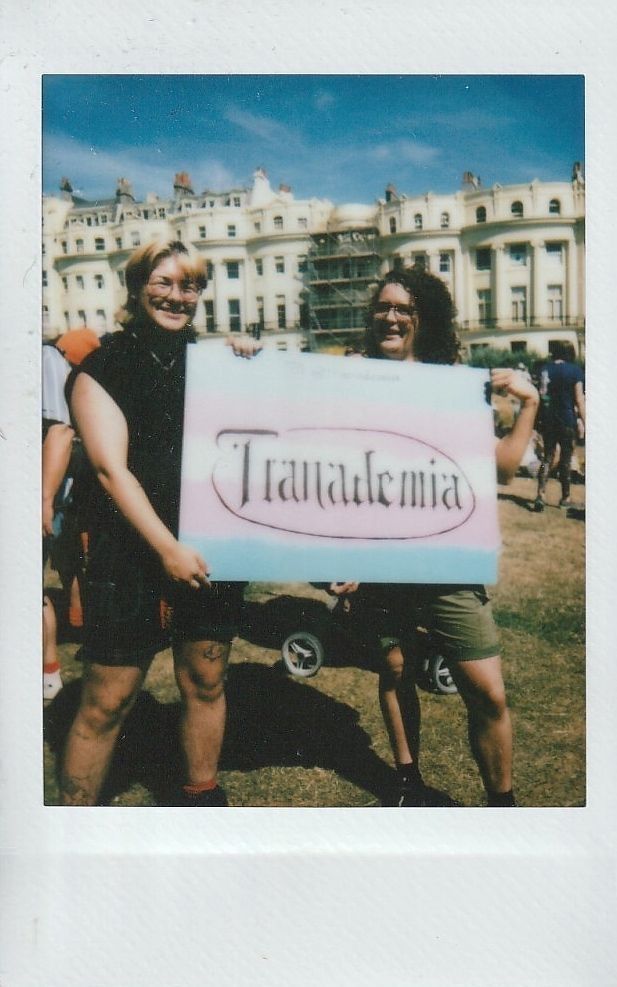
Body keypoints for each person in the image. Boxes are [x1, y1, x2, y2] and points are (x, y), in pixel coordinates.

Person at [332, 266, 540, 807]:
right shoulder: (347, 378)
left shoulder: (455, 382)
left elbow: (501, 470)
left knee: (487, 690)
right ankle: (406, 782)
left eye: (405, 308)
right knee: (395, 668)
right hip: (380, 556)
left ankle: (503, 805)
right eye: (383, 307)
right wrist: (242, 356)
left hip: (448, 557)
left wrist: (529, 407)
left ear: (425, 317)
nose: (392, 316)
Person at [59, 239, 256, 806]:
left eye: (190, 285)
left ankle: (202, 799)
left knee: (206, 682)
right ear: (137, 284)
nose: (177, 296)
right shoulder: (102, 365)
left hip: (209, 546)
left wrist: (247, 362)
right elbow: (109, 470)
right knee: (106, 701)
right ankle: (73, 828)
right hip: (131, 551)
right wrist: (167, 548)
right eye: (164, 282)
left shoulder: (213, 362)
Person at [42, 330, 100, 699]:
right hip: (66, 484)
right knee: (72, 561)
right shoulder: (72, 371)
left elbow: (60, 432)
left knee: (77, 559)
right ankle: (80, 622)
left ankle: (84, 625)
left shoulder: (54, 362)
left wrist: (46, 496)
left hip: (65, 485)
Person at [534, 341, 585, 511]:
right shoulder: (575, 371)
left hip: (548, 419)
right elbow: (579, 398)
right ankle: (565, 497)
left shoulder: (544, 369)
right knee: (565, 459)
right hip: (566, 419)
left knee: (547, 457)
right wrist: (585, 420)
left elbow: (541, 394)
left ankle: (540, 495)